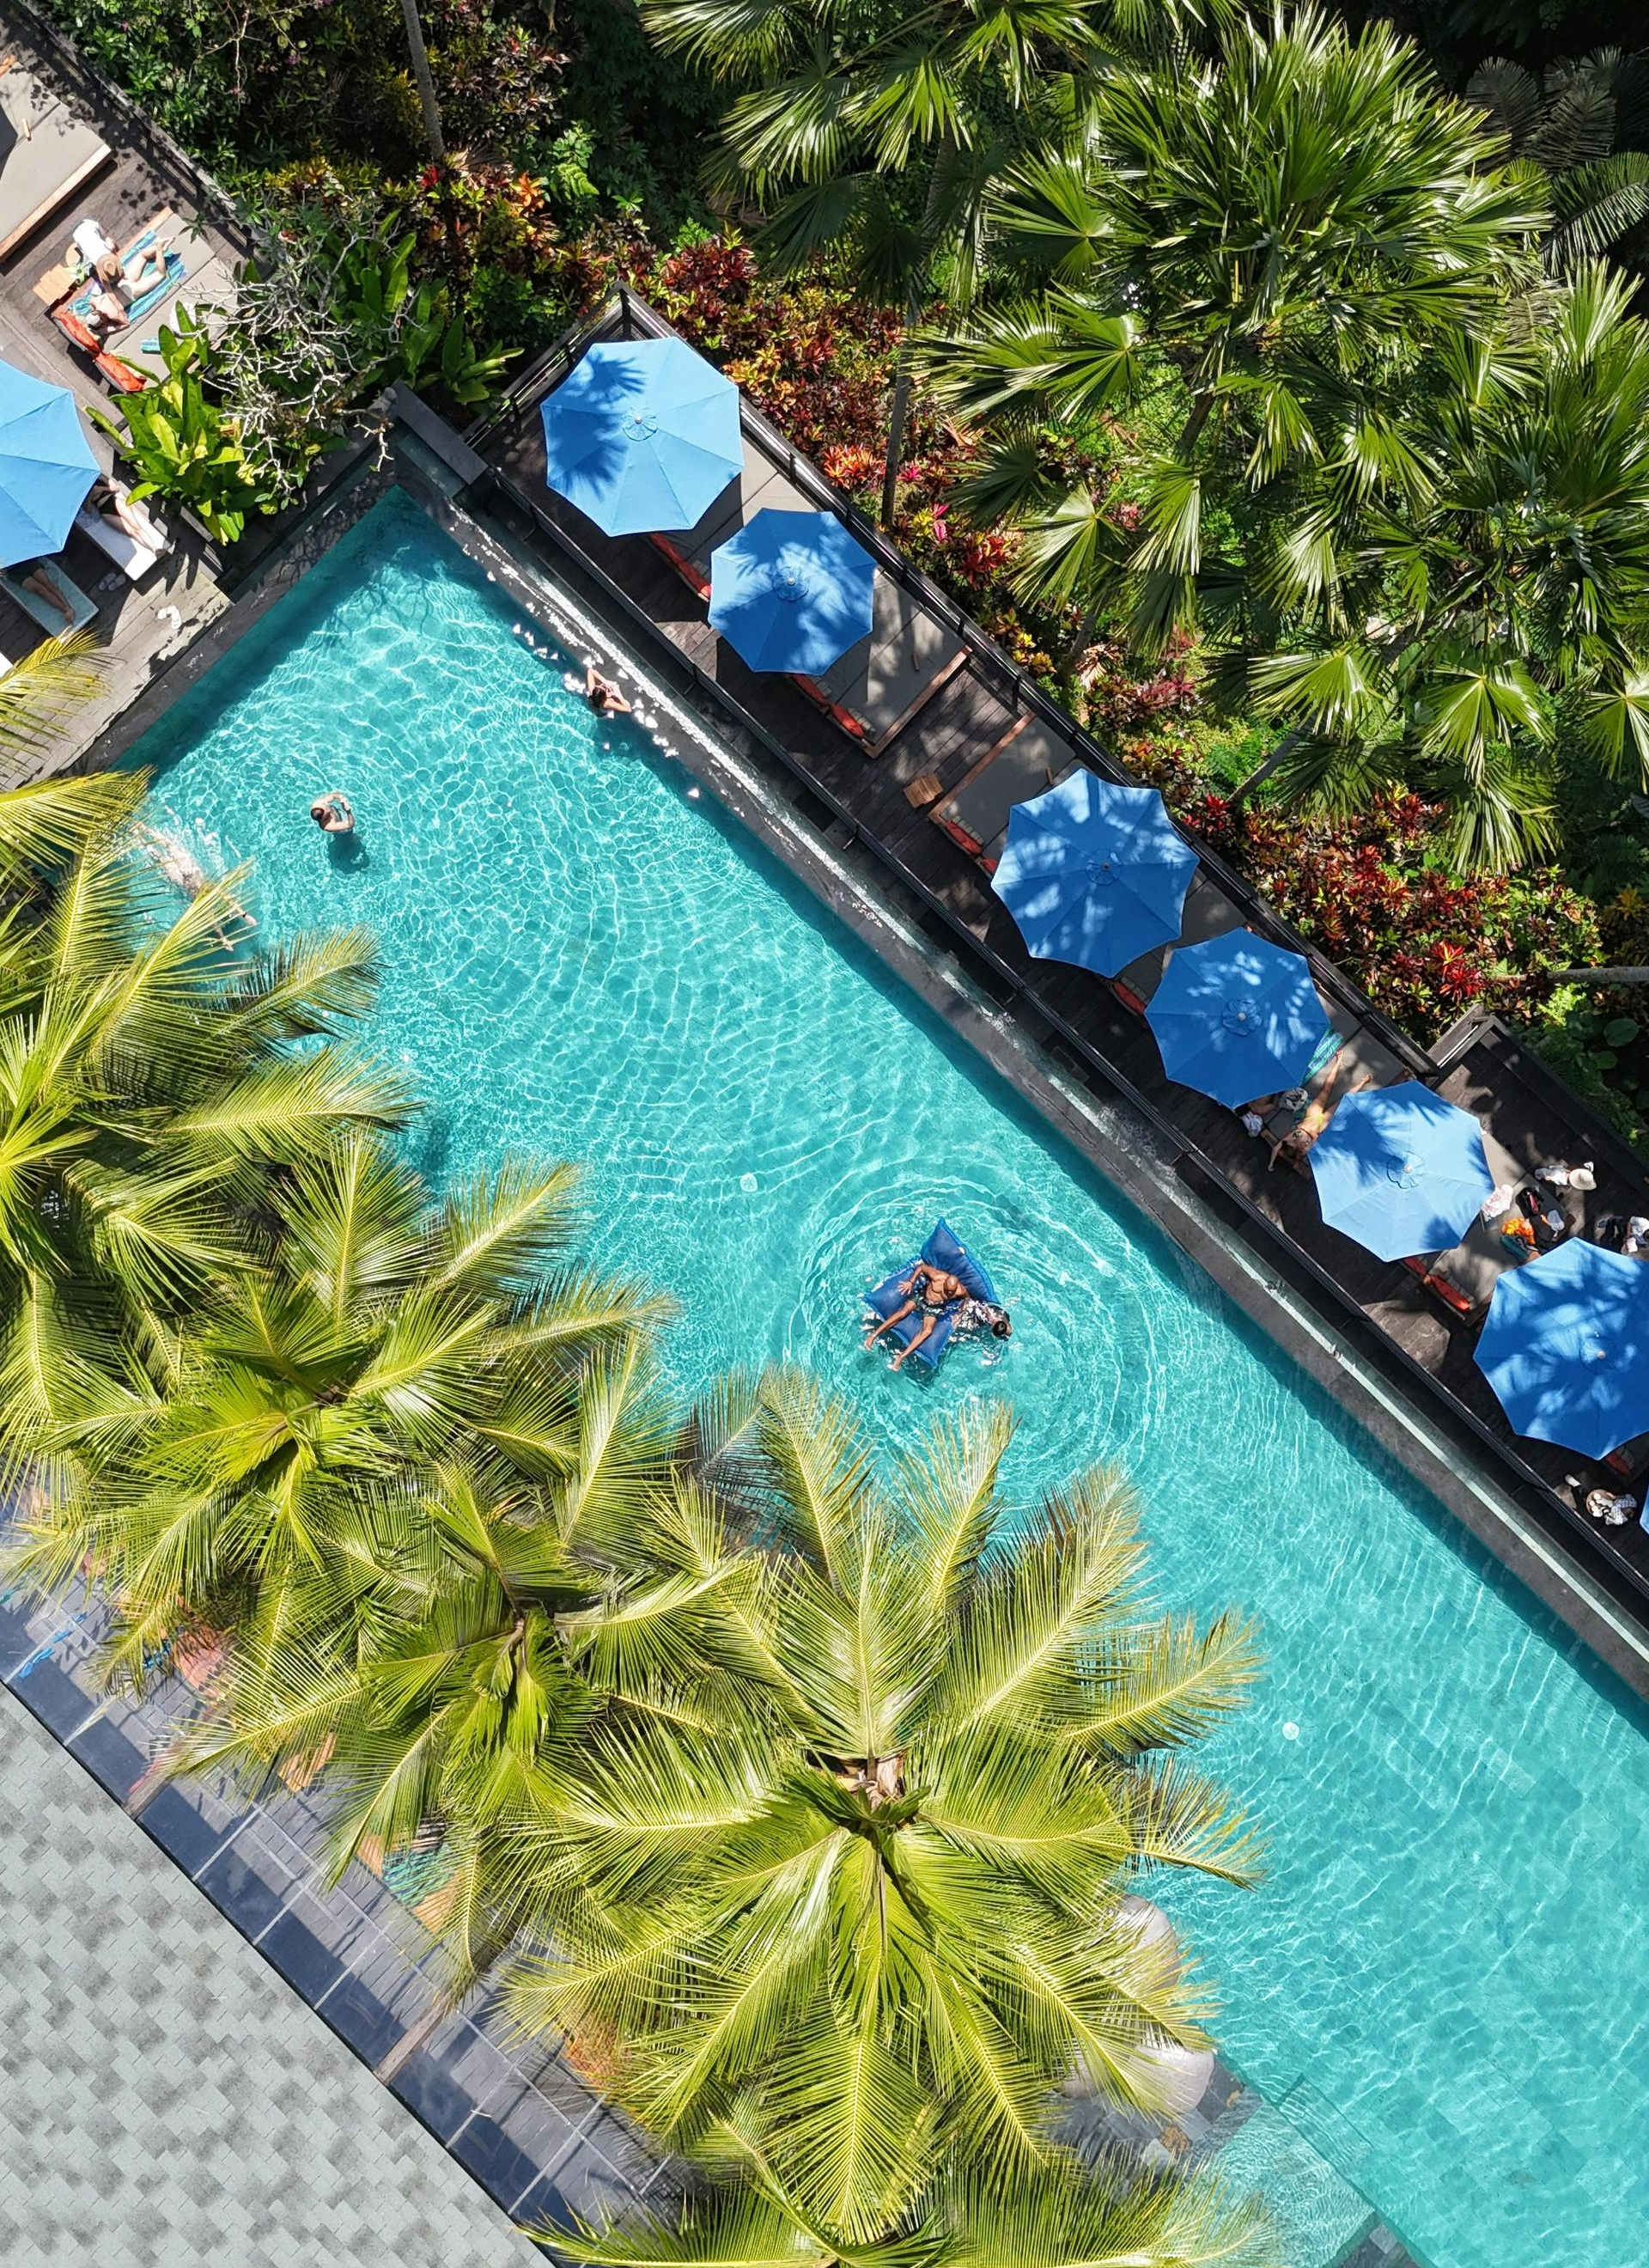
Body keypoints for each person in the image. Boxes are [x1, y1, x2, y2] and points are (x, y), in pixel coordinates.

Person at [1268, 1060, 1372, 1175]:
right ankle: (1362, 1083)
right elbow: (1316, 1138)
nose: (1291, 1143)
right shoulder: (1304, 1148)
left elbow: (1275, 1148)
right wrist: (1309, 1134)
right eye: (1293, 1145)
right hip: (1321, 1125)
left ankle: (1338, 1064)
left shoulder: (1292, 1137)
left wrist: (1271, 1164)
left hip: (1312, 1116)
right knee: (1342, 1102)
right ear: (1295, 1148)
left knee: (1326, 1090)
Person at [864, 1258, 965, 1372]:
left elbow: (967, 1299)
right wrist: (911, 1282)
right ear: (945, 1281)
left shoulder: (960, 1291)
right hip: (923, 1297)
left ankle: (901, 1357)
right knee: (902, 1313)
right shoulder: (937, 1277)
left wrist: (960, 1313)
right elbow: (921, 1268)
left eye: (952, 1292)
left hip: (935, 1307)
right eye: (947, 1290)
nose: (949, 1293)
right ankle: (874, 1335)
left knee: (927, 1331)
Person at [13, 559, 76, 628]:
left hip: (25, 560)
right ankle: (65, 610)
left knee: (48, 584)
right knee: (40, 590)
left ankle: (68, 608)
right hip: (13, 571)